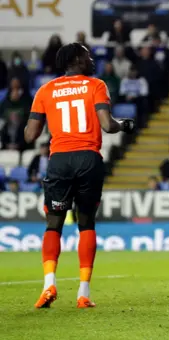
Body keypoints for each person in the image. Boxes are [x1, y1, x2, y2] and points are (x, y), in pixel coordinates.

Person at [24, 42, 135, 309]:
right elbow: (107, 126)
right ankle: (83, 293)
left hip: (59, 160)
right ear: (76, 59)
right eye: (87, 55)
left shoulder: (45, 90)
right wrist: (124, 125)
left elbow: (30, 135)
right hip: (88, 159)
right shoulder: (96, 85)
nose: (92, 59)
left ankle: (48, 284)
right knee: (86, 223)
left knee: (54, 223)